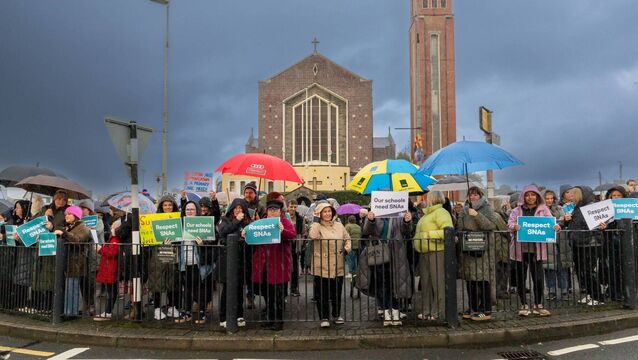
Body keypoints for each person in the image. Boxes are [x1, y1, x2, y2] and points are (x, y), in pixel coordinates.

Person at [508, 185, 559, 317]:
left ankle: (538, 304)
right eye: (527, 195)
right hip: (520, 250)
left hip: (537, 250)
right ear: (523, 196)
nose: (530, 197)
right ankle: (524, 304)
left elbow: (550, 223)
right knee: (521, 278)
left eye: (533, 195)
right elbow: (510, 224)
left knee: (538, 278)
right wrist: (515, 226)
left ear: (537, 196)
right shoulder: (516, 210)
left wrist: (556, 226)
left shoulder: (544, 209)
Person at [360, 206, 413, 327]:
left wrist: (406, 221)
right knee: (382, 284)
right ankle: (385, 311)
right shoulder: (375, 214)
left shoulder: (400, 214)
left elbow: (407, 232)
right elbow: (367, 231)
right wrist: (370, 220)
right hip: (379, 254)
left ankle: (395, 310)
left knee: (395, 283)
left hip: (396, 254)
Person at [249, 199, 296, 331]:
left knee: (278, 295)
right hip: (264, 265)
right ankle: (269, 318)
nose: (273, 212)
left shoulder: (284, 221)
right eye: (270, 210)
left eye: (275, 210)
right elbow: (253, 236)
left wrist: (283, 231)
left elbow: (292, 234)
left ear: (280, 211)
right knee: (267, 294)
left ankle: (278, 321)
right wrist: (248, 231)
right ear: (267, 211)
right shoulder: (262, 222)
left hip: (278, 265)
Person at [457, 187, 497, 321]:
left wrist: (477, 215)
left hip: (482, 251)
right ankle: (473, 307)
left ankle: (485, 310)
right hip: (468, 249)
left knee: (482, 280)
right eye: (470, 194)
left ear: (480, 196)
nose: (472, 197)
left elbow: (491, 225)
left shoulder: (486, 208)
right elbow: (460, 227)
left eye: (475, 194)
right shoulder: (464, 209)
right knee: (470, 281)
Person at [308, 202, 351, 328]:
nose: (327, 214)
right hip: (321, 266)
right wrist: (315, 221)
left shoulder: (339, 225)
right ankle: (324, 317)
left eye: (329, 211)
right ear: (320, 214)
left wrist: (346, 249)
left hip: (337, 264)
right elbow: (313, 235)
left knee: (336, 292)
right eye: (324, 211)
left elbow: (347, 239)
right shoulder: (316, 226)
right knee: (322, 294)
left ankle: (336, 314)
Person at [413, 191, 453, 321]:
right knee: (426, 284)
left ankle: (438, 312)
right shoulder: (426, 214)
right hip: (424, 252)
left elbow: (448, 231)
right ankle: (427, 311)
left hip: (437, 251)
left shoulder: (441, 213)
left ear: (433, 199)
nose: (425, 199)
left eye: (428, 198)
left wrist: (428, 235)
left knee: (438, 283)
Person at [564, 186, 604, 306]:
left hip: (590, 243)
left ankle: (598, 296)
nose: (571, 196)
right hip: (579, 243)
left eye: (574, 194)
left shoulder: (590, 207)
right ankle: (590, 294)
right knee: (581, 270)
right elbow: (573, 224)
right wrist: (567, 220)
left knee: (588, 270)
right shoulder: (576, 208)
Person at [51, 205, 92, 316]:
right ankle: (68, 311)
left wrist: (63, 233)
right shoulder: (69, 227)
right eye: (66, 214)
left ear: (76, 216)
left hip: (76, 262)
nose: (66, 216)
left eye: (69, 214)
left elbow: (78, 240)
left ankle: (71, 313)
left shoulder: (83, 227)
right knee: (69, 287)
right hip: (69, 261)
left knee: (73, 288)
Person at [218, 198, 251, 328]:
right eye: (236, 208)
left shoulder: (248, 222)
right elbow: (223, 232)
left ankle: (239, 315)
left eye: (241, 208)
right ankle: (223, 316)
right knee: (227, 289)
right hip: (228, 260)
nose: (238, 210)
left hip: (242, 261)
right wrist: (237, 221)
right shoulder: (225, 220)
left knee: (239, 290)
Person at [147, 195, 179, 320]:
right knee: (157, 280)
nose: (167, 207)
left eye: (170, 205)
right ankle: (157, 308)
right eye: (165, 205)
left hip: (172, 250)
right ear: (161, 206)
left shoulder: (178, 218)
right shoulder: (155, 218)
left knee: (172, 279)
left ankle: (172, 307)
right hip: (158, 251)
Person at [175, 201, 207, 324]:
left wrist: (202, 244)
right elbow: (175, 240)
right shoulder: (180, 224)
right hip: (184, 262)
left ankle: (202, 312)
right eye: (187, 209)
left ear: (197, 210)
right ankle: (187, 312)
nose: (189, 211)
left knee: (198, 288)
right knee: (187, 289)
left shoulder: (202, 223)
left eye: (192, 209)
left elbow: (211, 239)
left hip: (197, 262)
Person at [0, 200, 31, 310]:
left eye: (18, 207)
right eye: (15, 207)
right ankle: (6, 302)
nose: (16, 210)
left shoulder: (28, 221)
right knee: (8, 279)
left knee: (20, 279)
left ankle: (19, 304)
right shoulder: (13, 219)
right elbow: (5, 231)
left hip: (22, 254)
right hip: (11, 254)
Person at [542, 190, 570, 301]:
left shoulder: (559, 208)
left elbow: (563, 221)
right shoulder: (540, 210)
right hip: (547, 242)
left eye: (551, 198)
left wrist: (561, 223)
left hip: (560, 241)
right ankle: (551, 290)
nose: (549, 200)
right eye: (547, 198)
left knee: (561, 267)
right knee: (549, 268)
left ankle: (564, 290)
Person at [601, 186, 627, 301]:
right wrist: (603, 227)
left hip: (626, 242)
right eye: (613, 196)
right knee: (613, 268)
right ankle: (614, 292)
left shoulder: (628, 208)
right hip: (611, 242)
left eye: (618, 195)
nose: (616, 198)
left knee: (625, 268)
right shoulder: (605, 209)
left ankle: (625, 291)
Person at [243, 181, 265, 309]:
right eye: (246, 192)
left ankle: (253, 294)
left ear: (255, 193)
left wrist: (258, 220)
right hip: (243, 243)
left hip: (256, 244)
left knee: (254, 270)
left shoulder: (260, 206)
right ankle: (249, 295)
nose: (248, 194)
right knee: (245, 271)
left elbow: (264, 223)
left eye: (250, 192)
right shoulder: (240, 204)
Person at [93, 230, 120, 321]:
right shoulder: (112, 239)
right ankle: (108, 312)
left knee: (111, 291)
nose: (111, 229)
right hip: (109, 267)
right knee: (111, 291)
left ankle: (108, 312)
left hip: (110, 268)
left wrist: (100, 249)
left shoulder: (114, 240)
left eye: (112, 227)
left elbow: (112, 253)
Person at [287, 201, 305, 297]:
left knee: (295, 268)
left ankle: (294, 288)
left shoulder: (300, 218)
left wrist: (300, 243)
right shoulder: (284, 217)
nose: (293, 209)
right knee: (284, 268)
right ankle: (284, 289)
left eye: (295, 207)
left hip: (295, 246)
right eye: (291, 206)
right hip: (286, 245)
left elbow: (303, 232)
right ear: (288, 207)